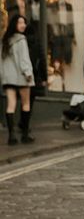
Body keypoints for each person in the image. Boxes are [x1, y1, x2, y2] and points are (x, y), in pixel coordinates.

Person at [1, 15, 35, 144]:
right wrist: (28, 73)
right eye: (20, 22)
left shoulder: (5, 40)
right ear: (14, 24)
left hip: (8, 78)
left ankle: (11, 136)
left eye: (24, 22)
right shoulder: (21, 40)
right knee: (25, 104)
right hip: (22, 77)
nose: (23, 25)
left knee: (11, 106)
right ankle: (25, 135)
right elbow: (24, 59)